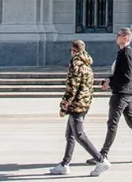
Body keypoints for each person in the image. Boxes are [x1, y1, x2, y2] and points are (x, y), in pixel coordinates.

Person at [91, 27, 132, 165]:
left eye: (119, 35)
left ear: (126, 37)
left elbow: (126, 77)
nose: (116, 37)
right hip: (127, 93)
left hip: (121, 94)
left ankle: (102, 155)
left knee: (112, 123)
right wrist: (108, 80)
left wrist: (110, 83)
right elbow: (121, 74)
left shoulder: (126, 54)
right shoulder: (124, 53)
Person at [50, 40, 111, 177]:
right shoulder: (87, 63)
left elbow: (72, 88)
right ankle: (65, 164)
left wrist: (63, 106)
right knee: (70, 135)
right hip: (84, 103)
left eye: (70, 51)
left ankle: (100, 160)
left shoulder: (76, 65)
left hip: (77, 105)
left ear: (73, 51)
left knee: (79, 135)